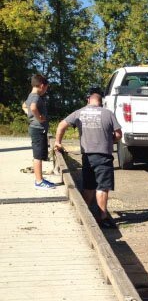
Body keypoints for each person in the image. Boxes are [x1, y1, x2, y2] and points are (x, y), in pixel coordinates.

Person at [54, 91, 122, 229]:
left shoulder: (79, 113)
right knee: (102, 187)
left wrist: (58, 142)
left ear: (88, 100)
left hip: (87, 156)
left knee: (89, 186)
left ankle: (83, 215)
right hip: (103, 155)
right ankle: (102, 217)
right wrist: (110, 140)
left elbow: (61, 125)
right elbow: (119, 134)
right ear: (100, 101)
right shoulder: (108, 113)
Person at [24, 74, 55, 189]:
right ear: (42, 85)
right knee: (37, 156)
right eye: (46, 88)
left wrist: (30, 115)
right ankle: (39, 181)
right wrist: (39, 117)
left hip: (36, 128)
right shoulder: (36, 96)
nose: (45, 91)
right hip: (38, 129)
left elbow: (24, 106)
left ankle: (40, 178)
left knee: (39, 154)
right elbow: (32, 107)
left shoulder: (30, 95)